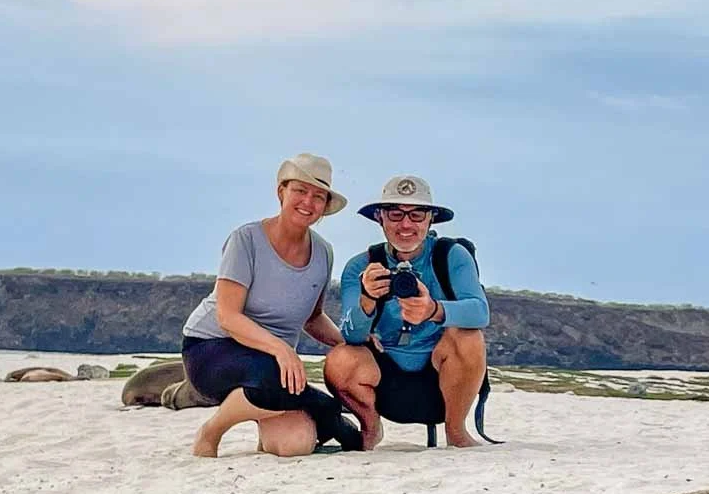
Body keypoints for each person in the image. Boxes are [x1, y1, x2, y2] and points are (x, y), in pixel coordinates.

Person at [181, 153, 364, 457]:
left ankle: (284, 418)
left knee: (295, 445)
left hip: (272, 368)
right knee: (279, 379)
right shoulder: (246, 240)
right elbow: (228, 316)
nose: (308, 201)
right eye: (300, 191)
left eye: (318, 196)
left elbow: (313, 318)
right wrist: (281, 349)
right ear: (281, 192)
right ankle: (211, 432)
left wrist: (351, 344)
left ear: (325, 207)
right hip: (211, 349)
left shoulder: (324, 252)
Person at [324, 175, 490, 449]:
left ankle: (457, 431)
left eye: (416, 215)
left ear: (430, 219)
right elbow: (351, 334)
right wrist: (367, 299)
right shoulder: (360, 267)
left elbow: (480, 312)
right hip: (385, 377)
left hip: (443, 377)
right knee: (340, 359)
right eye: (395, 214)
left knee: (469, 337)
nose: (406, 224)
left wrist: (434, 310)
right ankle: (370, 427)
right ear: (380, 218)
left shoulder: (452, 256)